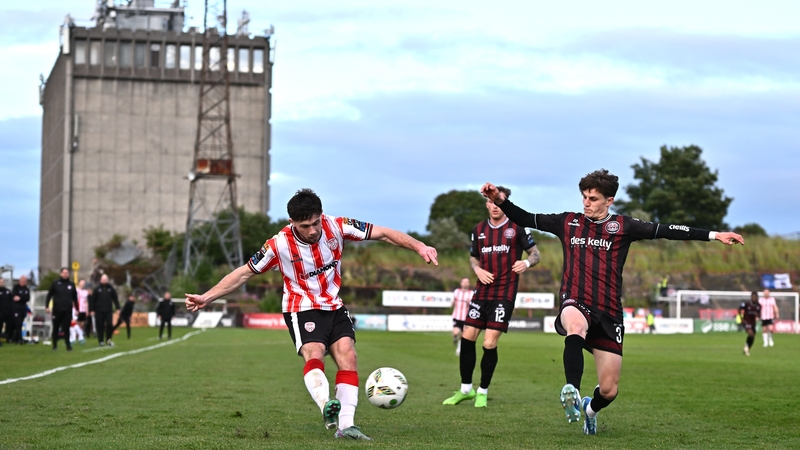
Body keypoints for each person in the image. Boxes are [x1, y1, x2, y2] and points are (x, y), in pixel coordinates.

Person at [481, 169, 744, 436]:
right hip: (576, 300)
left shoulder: (623, 226)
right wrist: (500, 199)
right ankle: (571, 388)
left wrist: (714, 235)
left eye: (593, 198)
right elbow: (525, 217)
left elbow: (669, 230)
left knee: (609, 390)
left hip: (608, 311)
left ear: (610, 201)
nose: (586, 203)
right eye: (584, 197)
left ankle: (590, 410)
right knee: (575, 326)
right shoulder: (567, 222)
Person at [185, 188, 438, 441]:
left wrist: (419, 246)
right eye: (305, 226)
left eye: (316, 222)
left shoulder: (338, 226)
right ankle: (325, 404)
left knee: (348, 355)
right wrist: (207, 296)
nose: (313, 230)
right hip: (301, 307)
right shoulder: (278, 245)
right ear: (291, 222)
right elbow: (243, 273)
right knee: (314, 351)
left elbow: (383, 233)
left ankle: (346, 426)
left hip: (334, 306)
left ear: (321, 215)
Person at [443, 186, 540, 408]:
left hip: (504, 293)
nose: (495, 206)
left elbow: (535, 253)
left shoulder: (517, 228)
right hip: (481, 292)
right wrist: (477, 271)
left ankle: (482, 392)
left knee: (489, 342)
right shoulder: (478, 230)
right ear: (486, 203)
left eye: (499, 202)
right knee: (468, 337)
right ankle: (465, 389)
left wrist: (525, 262)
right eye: (491, 201)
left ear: (505, 203)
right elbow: (474, 258)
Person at [45, 268, 79, 351]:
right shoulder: (55, 283)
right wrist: (47, 306)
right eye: (63, 273)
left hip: (67, 310)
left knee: (66, 328)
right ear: (60, 273)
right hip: (57, 309)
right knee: (55, 328)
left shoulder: (71, 284)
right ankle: (54, 346)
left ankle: (68, 346)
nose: (65, 274)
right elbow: (49, 295)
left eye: (67, 273)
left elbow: (75, 298)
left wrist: (77, 309)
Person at [90, 274, 120, 347]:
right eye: (103, 279)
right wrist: (92, 309)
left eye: (105, 279)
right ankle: (101, 341)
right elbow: (92, 300)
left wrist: (118, 308)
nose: (104, 281)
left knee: (109, 325)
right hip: (99, 311)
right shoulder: (97, 289)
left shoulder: (110, 288)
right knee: (100, 326)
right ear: (100, 280)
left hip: (108, 310)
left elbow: (115, 299)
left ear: (107, 280)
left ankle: (109, 341)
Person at [451, 277, 473, 356]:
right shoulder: (457, 291)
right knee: (455, 332)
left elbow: (473, 305)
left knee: (463, 334)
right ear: (461, 283)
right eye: (464, 282)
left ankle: (459, 347)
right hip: (457, 316)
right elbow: (453, 301)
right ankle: (455, 338)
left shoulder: (471, 293)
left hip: (466, 317)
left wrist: (469, 303)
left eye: (467, 282)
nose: (465, 283)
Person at [738, 292, 761, 356]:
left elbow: (759, 314)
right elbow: (739, 309)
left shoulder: (758, 306)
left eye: (755, 297)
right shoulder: (747, 304)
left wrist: (758, 316)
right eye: (753, 297)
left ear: (757, 298)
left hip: (753, 323)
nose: (754, 298)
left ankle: (747, 347)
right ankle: (746, 348)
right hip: (746, 322)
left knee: (753, 336)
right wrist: (741, 318)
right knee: (751, 334)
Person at [11, 275, 31, 344]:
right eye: (22, 280)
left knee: (21, 323)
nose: (24, 281)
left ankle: (17, 338)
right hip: (16, 309)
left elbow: (27, 298)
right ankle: (19, 339)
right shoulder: (16, 288)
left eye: (25, 280)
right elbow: (14, 297)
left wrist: (20, 298)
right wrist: (21, 298)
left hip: (23, 308)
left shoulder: (26, 289)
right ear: (20, 280)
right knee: (18, 323)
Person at [0, 278, 12, 345]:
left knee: (10, 325)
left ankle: (8, 338)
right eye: (0, 282)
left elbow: (11, 301)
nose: (2, 283)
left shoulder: (8, 291)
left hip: (7, 312)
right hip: (0, 312)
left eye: (2, 282)